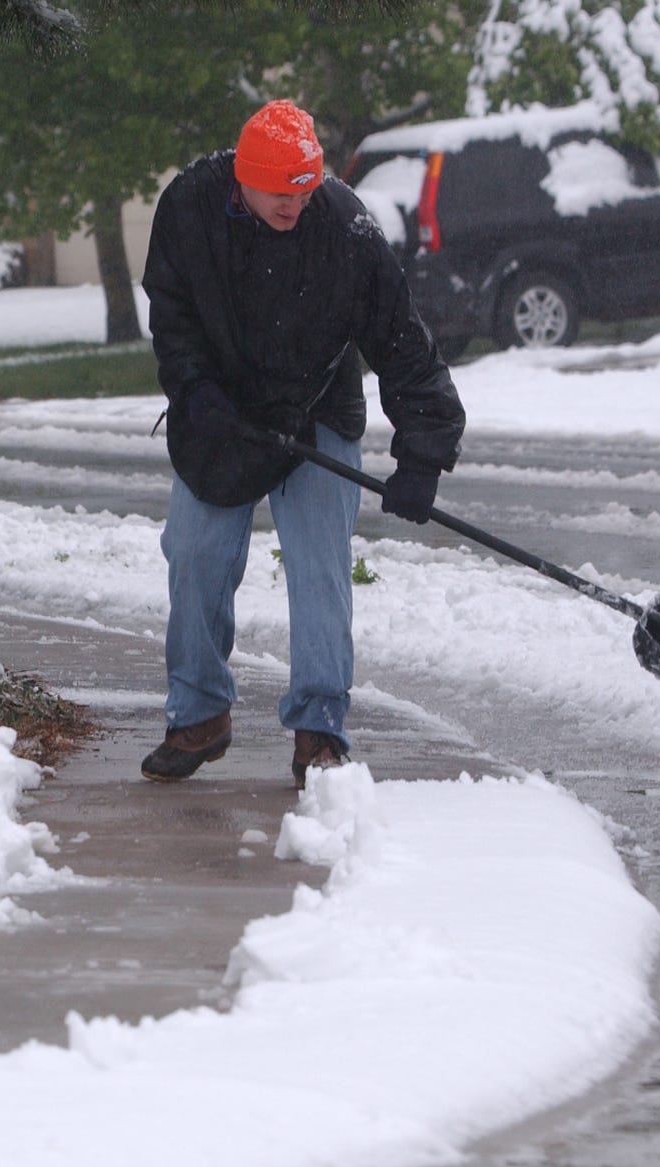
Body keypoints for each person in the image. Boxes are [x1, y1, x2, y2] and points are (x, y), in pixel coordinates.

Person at [139, 98, 466, 788]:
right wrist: (195, 392)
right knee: (195, 554)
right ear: (242, 180)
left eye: (304, 189)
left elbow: (402, 342)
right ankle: (199, 712)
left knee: (319, 568)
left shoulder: (345, 228)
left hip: (316, 401)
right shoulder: (191, 208)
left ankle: (319, 728)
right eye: (278, 193)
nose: (294, 205)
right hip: (221, 410)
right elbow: (171, 312)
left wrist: (422, 454)